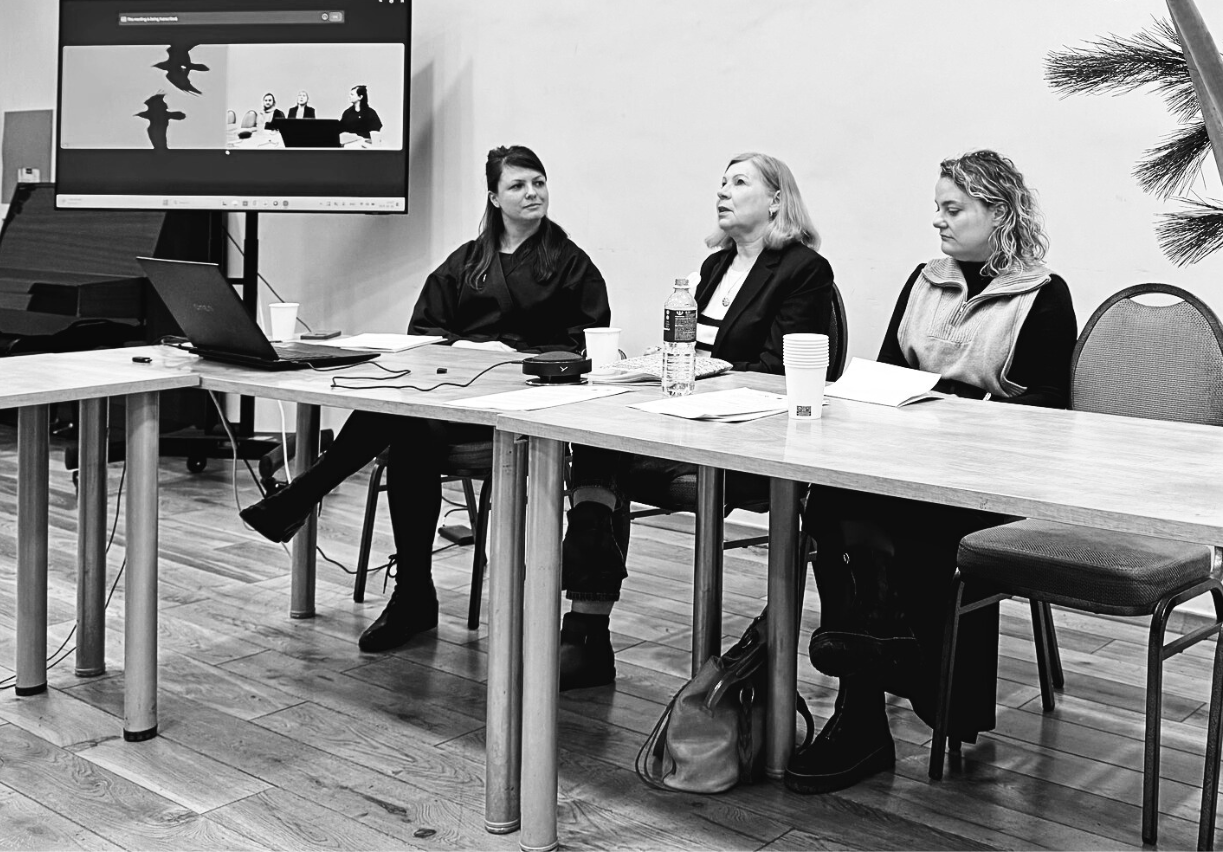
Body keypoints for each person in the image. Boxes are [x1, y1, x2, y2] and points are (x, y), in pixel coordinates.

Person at [782, 149, 1077, 795]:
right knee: (831, 498)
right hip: (909, 462)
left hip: (986, 481)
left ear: (999, 214)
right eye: (937, 208)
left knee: (894, 519)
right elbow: (888, 371)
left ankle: (871, 689)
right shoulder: (924, 280)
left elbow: (1050, 410)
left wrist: (955, 405)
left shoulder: (1043, 296)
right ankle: (876, 673)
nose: (938, 221)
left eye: (953, 209)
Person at [239, 145, 610, 650]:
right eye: (518, 185)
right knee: (407, 421)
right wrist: (466, 350)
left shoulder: (571, 263)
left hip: (515, 409)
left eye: (538, 183)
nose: (532, 193)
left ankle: (315, 506)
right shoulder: (466, 261)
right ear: (494, 197)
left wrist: (513, 354)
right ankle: (409, 589)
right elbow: (424, 333)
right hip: (449, 399)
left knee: (408, 428)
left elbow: (585, 343)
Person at [558, 152, 834, 688]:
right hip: (683, 417)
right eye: (721, 182)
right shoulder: (712, 268)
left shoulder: (803, 270)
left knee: (602, 465)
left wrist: (705, 375)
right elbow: (683, 351)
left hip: (741, 436)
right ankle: (586, 627)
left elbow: (779, 371)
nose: (722, 192)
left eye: (739, 182)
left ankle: (585, 631)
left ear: (776, 199)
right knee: (594, 442)